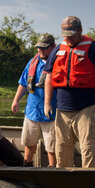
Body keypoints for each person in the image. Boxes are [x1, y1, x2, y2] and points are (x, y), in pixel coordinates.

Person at [44, 16, 95, 168]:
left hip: (87, 109)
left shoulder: (94, 49)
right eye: (65, 35)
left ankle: (91, 183)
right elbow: (48, 77)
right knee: (61, 150)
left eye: (72, 35)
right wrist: (47, 103)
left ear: (80, 30)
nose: (69, 39)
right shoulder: (58, 50)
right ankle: (64, 183)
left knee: (89, 148)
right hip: (62, 111)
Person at [11, 33, 57, 167]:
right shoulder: (32, 62)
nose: (40, 51)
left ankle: (53, 170)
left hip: (51, 115)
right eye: (38, 48)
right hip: (32, 112)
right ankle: (27, 166)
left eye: (44, 48)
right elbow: (24, 83)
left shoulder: (58, 63)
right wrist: (16, 100)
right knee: (29, 144)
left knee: (52, 148)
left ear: (53, 47)